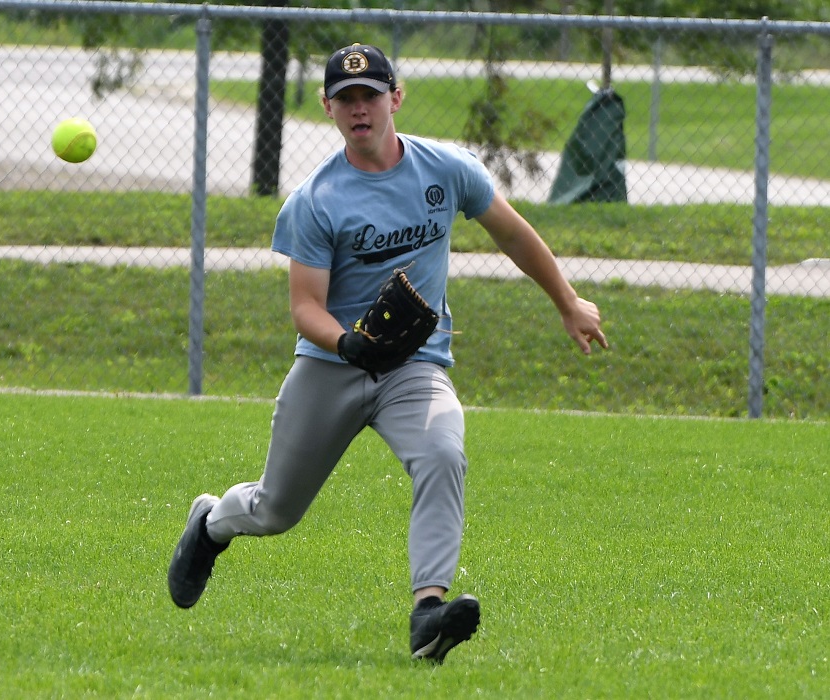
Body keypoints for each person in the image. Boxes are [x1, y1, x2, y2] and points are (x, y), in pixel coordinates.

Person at [168, 43, 608, 663]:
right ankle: (210, 524)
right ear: (327, 108)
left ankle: (428, 614)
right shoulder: (316, 200)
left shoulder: (446, 170)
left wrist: (566, 301)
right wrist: (348, 341)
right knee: (275, 510)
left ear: (395, 98)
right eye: (345, 98)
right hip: (331, 368)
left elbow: (511, 231)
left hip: (415, 366)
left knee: (443, 452)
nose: (359, 108)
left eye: (370, 94)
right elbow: (305, 308)